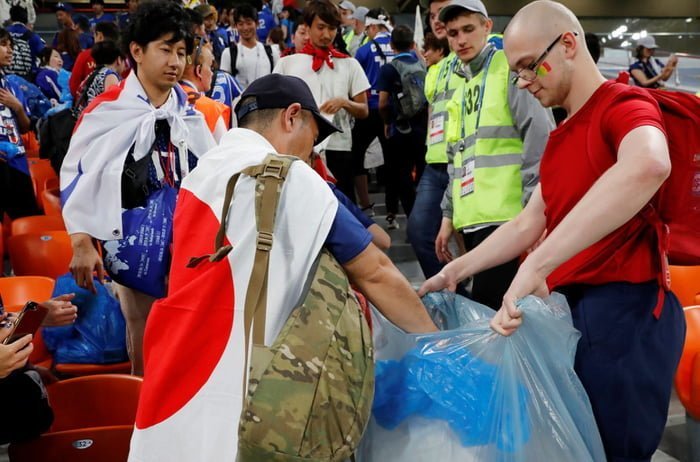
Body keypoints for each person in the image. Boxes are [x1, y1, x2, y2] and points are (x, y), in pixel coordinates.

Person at [420, 1, 686, 460]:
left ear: (567, 44)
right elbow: (529, 221)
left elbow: (648, 163)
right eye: (516, 72)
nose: (524, 81)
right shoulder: (562, 137)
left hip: (626, 314)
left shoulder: (623, 104)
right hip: (578, 316)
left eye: (528, 67)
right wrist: (454, 271)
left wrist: (538, 265)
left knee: (615, 447)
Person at [129, 72, 436, 462]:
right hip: (259, 390)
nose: (312, 152)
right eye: (313, 136)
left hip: (179, 371)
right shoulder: (291, 177)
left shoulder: (198, 176)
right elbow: (374, 271)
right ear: (292, 116)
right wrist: (437, 346)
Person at [60, 1, 216, 376]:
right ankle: (146, 409)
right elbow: (76, 176)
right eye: (165, 49)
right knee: (143, 326)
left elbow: (214, 169)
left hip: (186, 236)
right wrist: (81, 243)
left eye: (181, 52)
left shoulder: (189, 111)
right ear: (136, 51)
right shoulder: (106, 109)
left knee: (189, 330)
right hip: (130, 237)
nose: (176, 61)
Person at [432, 0, 553, 309]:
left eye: (468, 29)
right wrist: (448, 216)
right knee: (491, 315)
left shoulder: (508, 69)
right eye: (453, 32)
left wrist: (534, 211)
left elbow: (540, 135)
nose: (460, 40)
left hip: (509, 219)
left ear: (487, 27)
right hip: (474, 219)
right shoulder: (460, 85)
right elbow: (456, 156)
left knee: (498, 316)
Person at [274, 0, 369, 205]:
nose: (326, 34)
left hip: (340, 148)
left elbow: (364, 110)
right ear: (307, 27)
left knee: (341, 209)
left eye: (332, 28)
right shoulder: (287, 63)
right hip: (299, 150)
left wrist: (344, 102)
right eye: (320, 27)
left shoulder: (349, 64)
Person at [406, 0, 459, 282]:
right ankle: (454, 296)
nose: (437, 20)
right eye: (434, 15)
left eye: (444, 13)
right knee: (419, 231)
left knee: (471, 237)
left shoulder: (470, 57)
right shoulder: (435, 68)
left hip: (463, 161)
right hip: (434, 164)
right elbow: (431, 111)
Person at [377, 25, 428, 227]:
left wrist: (386, 121)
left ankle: (411, 214)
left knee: (402, 172)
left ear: (391, 45)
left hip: (400, 128)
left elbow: (382, 102)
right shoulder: (423, 65)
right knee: (423, 171)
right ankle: (425, 212)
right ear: (413, 44)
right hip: (422, 127)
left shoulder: (388, 69)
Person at [350, 8, 394, 213]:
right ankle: (394, 209)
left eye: (368, 28)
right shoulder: (402, 44)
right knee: (394, 160)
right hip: (394, 110)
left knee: (356, 155)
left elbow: (355, 82)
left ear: (374, 26)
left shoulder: (365, 50)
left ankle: (366, 204)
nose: (366, 32)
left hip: (370, 109)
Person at [0, 27, 39, 221]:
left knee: (27, 219)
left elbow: (25, 127)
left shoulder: (13, 85)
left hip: (17, 163)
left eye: (11, 46)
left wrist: (18, 107)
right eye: (3, 45)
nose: (10, 50)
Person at [180, 38, 230, 141]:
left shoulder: (164, 99)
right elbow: (223, 152)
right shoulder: (210, 109)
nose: (212, 73)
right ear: (199, 71)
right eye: (210, 67)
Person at [220, 4, 279, 89]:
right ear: (236, 26)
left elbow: (277, 82)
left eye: (249, 23)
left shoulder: (272, 52)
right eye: (241, 24)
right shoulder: (228, 53)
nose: (245, 28)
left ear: (257, 23)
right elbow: (225, 86)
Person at [72, 40, 126, 116]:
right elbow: (114, 105)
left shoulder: (93, 74)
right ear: (119, 60)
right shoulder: (110, 76)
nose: (125, 66)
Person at [69, 21, 120, 99]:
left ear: (99, 36)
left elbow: (74, 86)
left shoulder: (85, 56)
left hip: (89, 107)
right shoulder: (124, 57)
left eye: (94, 35)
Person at [5, 5, 45, 80]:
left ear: (11, 18)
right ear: (26, 19)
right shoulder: (32, 36)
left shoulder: (3, 33)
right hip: (26, 79)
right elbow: (43, 53)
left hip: (5, 77)